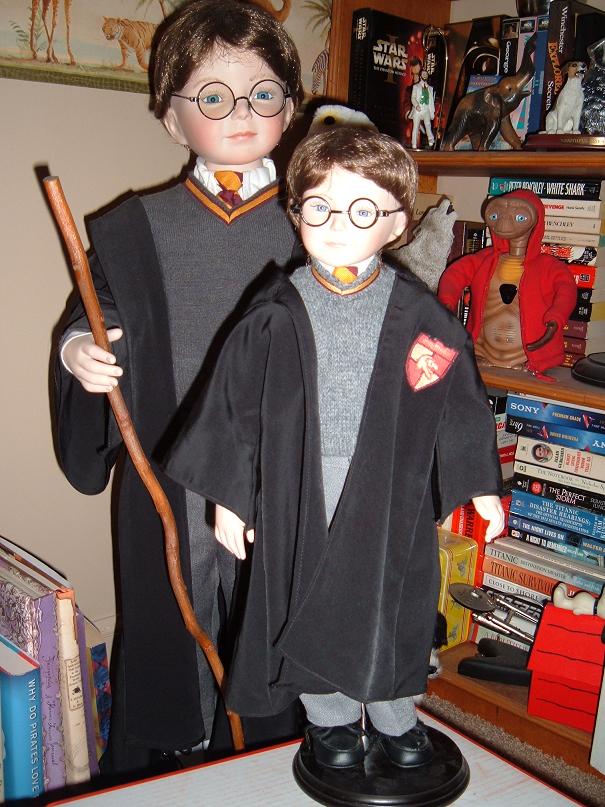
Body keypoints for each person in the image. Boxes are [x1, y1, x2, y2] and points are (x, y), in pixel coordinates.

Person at [163, 127, 505, 771]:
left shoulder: (416, 315)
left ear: (398, 223)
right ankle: (330, 719)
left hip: (388, 489)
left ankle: (397, 717)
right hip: (300, 486)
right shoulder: (276, 310)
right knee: (306, 597)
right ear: (296, 214)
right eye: (318, 207)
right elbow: (234, 408)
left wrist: (477, 480)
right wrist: (230, 498)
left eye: (363, 209)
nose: (338, 224)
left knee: (390, 602)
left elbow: (457, 398)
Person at [53, 0, 303, 774]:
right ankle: (175, 749)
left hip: (277, 470)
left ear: (290, 107)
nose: (241, 113)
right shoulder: (134, 227)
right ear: (171, 118)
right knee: (172, 610)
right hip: (166, 463)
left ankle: (271, 750)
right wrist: (79, 348)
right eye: (212, 96)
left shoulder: (319, 222)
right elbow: (94, 306)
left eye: (263, 93)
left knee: (272, 615)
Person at [437, 190, 577, 379]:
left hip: (528, 356)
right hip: (480, 353)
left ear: (536, 220)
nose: (504, 223)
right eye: (496, 216)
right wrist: (446, 303)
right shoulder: (482, 261)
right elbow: (453, 276)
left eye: (519, 217)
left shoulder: (549, 267)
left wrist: (556, 318)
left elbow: (567, 291)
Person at [408, 68, 435, 149]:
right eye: (423, 74)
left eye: (426, 74)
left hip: (426, 109)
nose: (425, 75)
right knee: (415, 127)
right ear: (420, 76)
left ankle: (431, 139)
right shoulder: (416, 86)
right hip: (418, 110)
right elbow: (413, 98)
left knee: (428, 124)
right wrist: (416, 105)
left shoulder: (430, 88)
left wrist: (432, 111)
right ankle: (414, 144)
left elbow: (431, 101)